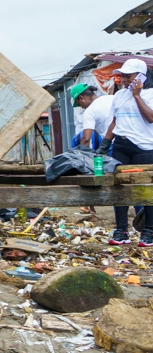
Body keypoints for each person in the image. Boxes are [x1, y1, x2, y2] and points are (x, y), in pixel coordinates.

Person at [98, 58, 153, 246]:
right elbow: (115, 121)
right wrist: (105, 144)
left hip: (144, 148)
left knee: (145, 190)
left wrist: (137, 96)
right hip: (121, 145)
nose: (125, 80)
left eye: (129, 76)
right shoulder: (119, 96)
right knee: (118, 188)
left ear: (141, 77)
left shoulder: (150, 94)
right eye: (123, 76)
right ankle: (121, 230)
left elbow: (151, 118)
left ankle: (149, 232)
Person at [71, 84, 114, 150]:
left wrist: (82, 156)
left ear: (82, 98)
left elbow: (86, 139)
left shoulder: (89, 111)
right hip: (130, 140)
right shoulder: (112, 98)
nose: (81, 107)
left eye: (78, 103)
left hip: (112, 144)